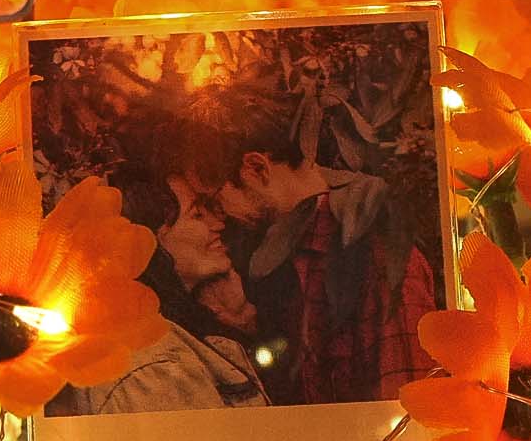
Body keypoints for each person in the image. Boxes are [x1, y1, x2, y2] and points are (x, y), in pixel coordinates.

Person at [170, 84, 437, 406]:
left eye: (214, 201)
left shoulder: (379, 260)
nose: (219, 218)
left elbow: (412, 412)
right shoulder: (287, 260)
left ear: (256, 169)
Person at [45, 170, 269, 416]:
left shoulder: (169, 336)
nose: (218, 225)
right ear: (147, 239)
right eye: (197, 214)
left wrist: (241, 322)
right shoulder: (152, 367)